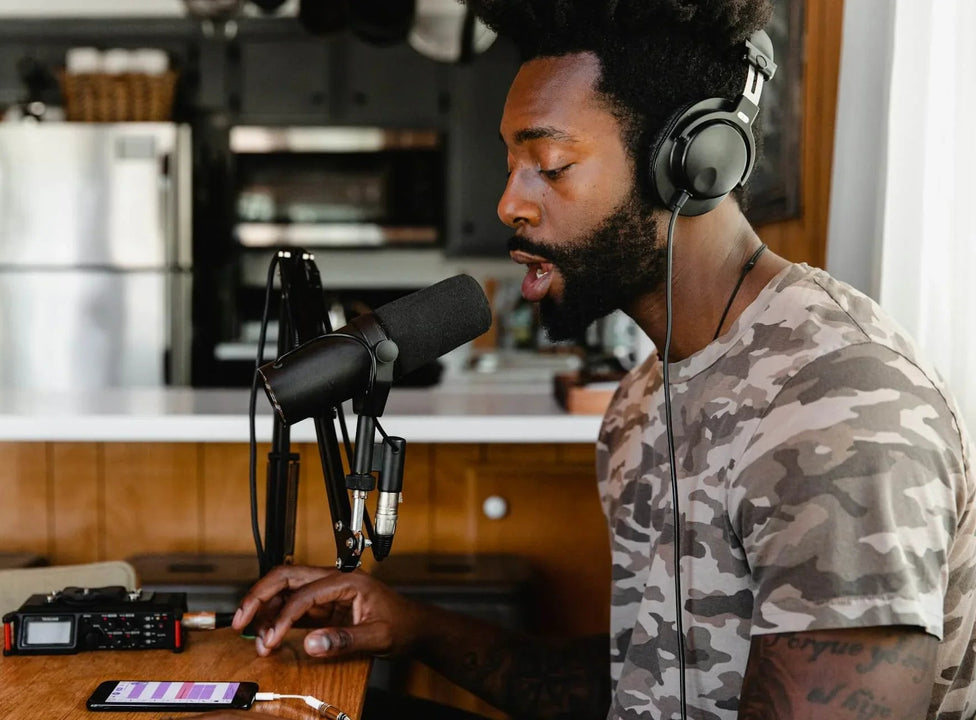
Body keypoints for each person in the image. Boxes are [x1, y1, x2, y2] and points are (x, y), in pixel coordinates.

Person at [225, 1, 976, 718]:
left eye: (549, 165)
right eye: (511, 163)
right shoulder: (642, 400)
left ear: (689, 167)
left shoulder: (837, 407)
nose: (508, 204)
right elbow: (640, 687)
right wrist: (413, 627)